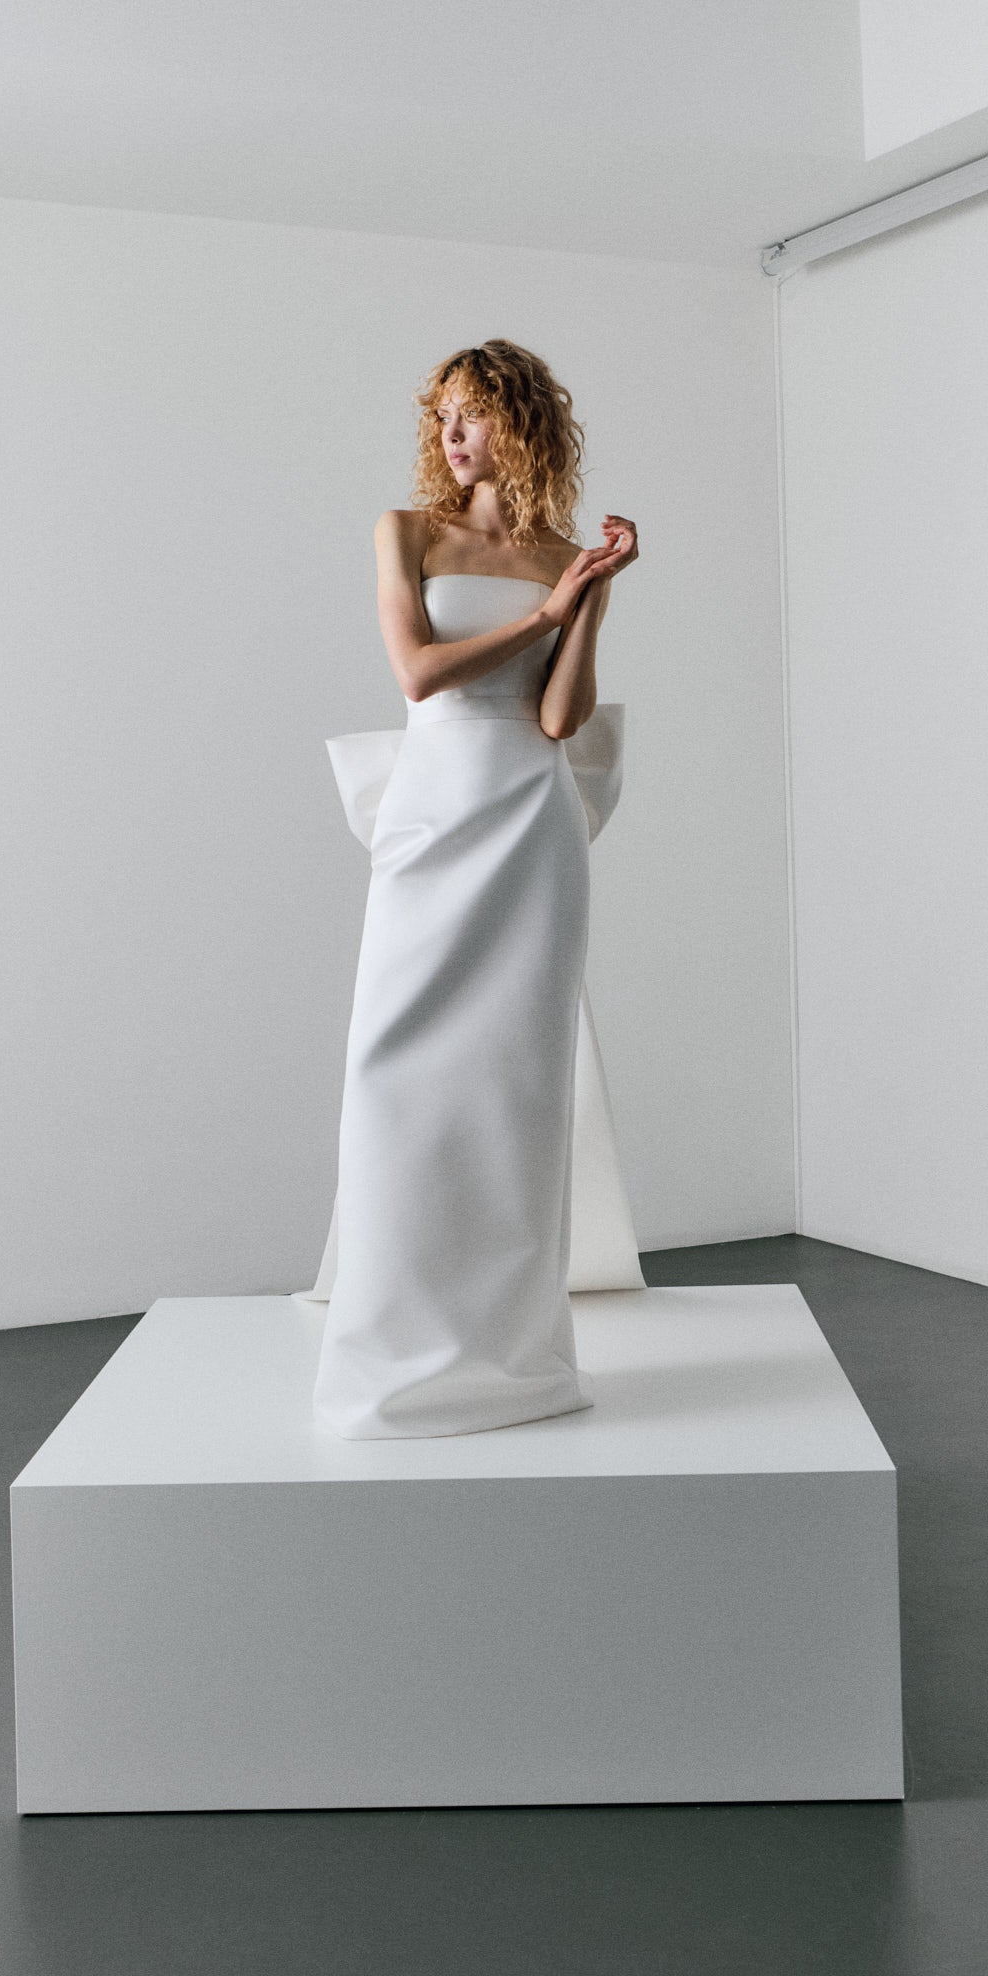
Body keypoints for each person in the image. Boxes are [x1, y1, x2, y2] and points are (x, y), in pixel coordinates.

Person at [309, 339, 639, 1440]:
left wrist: (590, 597)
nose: (454, 434)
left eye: (475, 414)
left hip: (530, 823)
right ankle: (392, 1358)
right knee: (395, 1072)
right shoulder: (407, 532)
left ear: (521, 422)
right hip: (433, 811)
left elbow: (556, 720)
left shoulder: (554, 553)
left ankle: (515, 1361)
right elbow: (415, 673)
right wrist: (543, 617)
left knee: (516, 1087)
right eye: (443, 415)